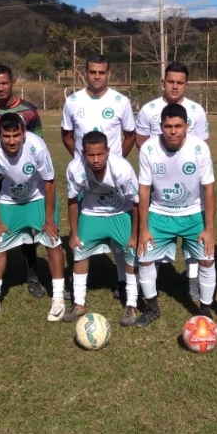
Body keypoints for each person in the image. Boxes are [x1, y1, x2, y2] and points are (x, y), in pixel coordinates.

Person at [0, 113, 66, 322]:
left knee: (52, 243)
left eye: (16, 134)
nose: (12, 140)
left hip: (38, 196)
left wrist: (49, 221)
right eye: (7, 136)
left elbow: (50, 182)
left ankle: (58, 299)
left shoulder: (37, 146)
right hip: (10, 199)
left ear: (24, 133)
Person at [61, 53, 135, 298]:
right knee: (85, 227)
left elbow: (130, 135)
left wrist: (115, 161)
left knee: (118, 226)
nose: (96, 76)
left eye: (101, 72)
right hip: (85, 177)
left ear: (108, 74)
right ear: (86, 72)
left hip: (111, 176)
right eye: (92, 72)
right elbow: (67, 135)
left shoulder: (120, 101)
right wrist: (82, 161)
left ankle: (123, 281)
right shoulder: (72, 101)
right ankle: (81, 284)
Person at [135, 103, 216, 327]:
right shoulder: (149, 149)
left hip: (193, 213)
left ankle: (206, 312)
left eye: (178, 126)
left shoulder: (199, 148)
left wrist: (209, 229)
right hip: (160, 213)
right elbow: (143, 189)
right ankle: (152, 308)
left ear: (187, 127)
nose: (173, 131)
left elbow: (209, 188)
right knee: (144, 258)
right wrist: (143, 229)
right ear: (160, 126)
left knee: (207, 260)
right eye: (168, 126)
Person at [135, 62, 209, 303]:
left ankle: (194, 285)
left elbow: (202, 151)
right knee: (146, 250)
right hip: (160, 188)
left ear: (186, 84)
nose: (175, 86)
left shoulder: (197, 111)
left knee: (197, 251)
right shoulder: (149, 109)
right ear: (163, 82)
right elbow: (143, 144)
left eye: (180, 82)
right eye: (170, 81)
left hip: (191, 194)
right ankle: (150, 300)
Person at [0, 64, 46, 299]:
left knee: (29, 229)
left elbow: (37, 144)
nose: (1, 87)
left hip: (25, 181)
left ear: (13, 82)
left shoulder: (29, 110)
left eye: (5, 83)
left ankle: (33, 276)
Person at [63, 131, 140, 327]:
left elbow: (136, 202)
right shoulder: (75, 168)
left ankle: (131, 305)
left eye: (100, 154)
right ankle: (79, 303)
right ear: (83, 152)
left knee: (131, 252)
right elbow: (72, 200)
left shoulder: (122, 168)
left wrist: (134, 236)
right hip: (92, 213)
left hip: (120, 212)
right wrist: (74, 233)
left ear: (108, 151)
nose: (96, 160)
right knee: (79, 251)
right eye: (91, 155)